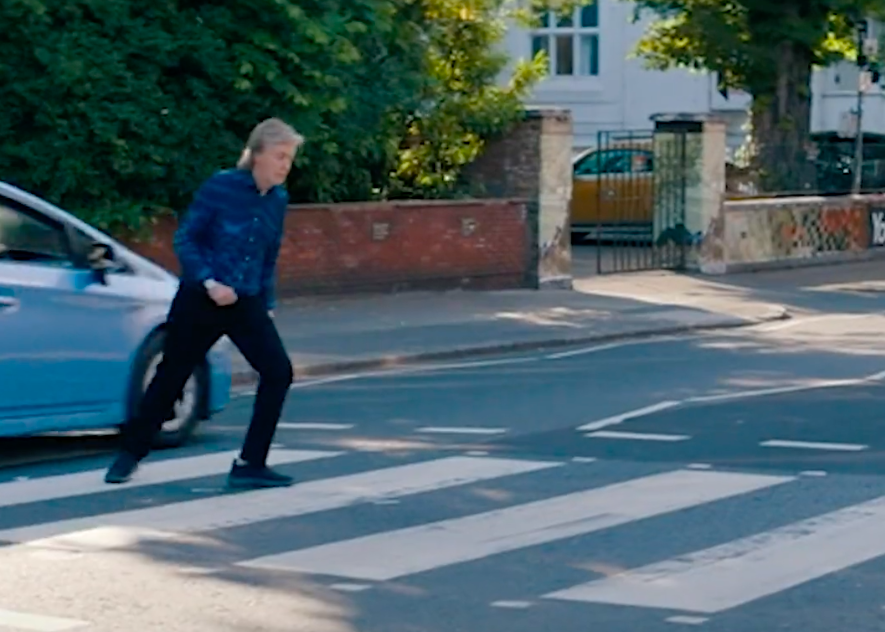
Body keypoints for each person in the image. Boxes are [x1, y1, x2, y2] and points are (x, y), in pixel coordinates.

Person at [104, 117, 303, 489]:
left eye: (289, 158)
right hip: (202, 298)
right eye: (279, 156)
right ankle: (130, 454)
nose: (285, 165)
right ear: (257, 154)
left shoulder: (277, 200)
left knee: (279, 372)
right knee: (173, 374)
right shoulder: (221, 186)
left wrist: (267, 300)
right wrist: (209, 281)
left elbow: (269, 253)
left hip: (246, 301)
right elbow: (187, 239)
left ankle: (250, 463)